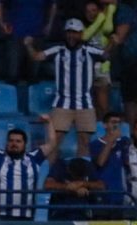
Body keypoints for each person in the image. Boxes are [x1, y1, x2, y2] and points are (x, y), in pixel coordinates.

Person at [24, 19, 106, 157]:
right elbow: (36, 57)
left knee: (84, 142)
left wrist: (114, 44)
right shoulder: (57, 50)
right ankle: (48, 175)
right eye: (69, 32)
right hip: (62, 103)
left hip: (85, 104)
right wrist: (28, 45)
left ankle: (82, 176)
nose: (71, 36)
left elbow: (107, 55)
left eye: (74, 33)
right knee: (54, 141)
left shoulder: (90, 51)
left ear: (81, 34)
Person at [0, 111, 57, 221]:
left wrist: (49, 122)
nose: (14, 144)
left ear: (25, 144)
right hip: (0, 216)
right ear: (7, 143)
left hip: (26, 216)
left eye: (18, 141)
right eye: (11, 141)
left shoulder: (34, 158)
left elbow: (52, 143)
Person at [0, 0, 57, 83]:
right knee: (12, 73)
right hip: (16, 34)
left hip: (36, 34)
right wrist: (1, 23)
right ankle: (10, 94)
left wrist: (49, 24)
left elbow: (53, 4)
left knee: (34, 74)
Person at [89, 110, 129, 217]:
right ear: (105, 125)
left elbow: (128, 163)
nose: (116, 125)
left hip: (119, 193)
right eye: (113, 122)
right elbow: (100, 163)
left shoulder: (124, 142)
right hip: (102, 193)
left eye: (118, 122)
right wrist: (111, 141)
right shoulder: (95, 144)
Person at [82, 0, 116, 119]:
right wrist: (100, 18)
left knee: (103, 104)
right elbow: (84, 36)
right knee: (91, 104)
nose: (91, 14)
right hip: (86, 69)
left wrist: (104, 16)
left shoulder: (107, 24)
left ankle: (105, 129)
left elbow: (107, 30)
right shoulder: (81, 26)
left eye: (94, 11)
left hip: (102, 67)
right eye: (88, 11)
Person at [43, 156, 104, 220]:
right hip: (61, 212)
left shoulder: (88, 166)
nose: (77, 179)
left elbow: (101, 185)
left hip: (83, 212)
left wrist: (82, 183)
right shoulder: (60, 165)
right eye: (75, 177)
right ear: (69, 170)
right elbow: (48, 185)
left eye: (80, 178)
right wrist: (67, 187)